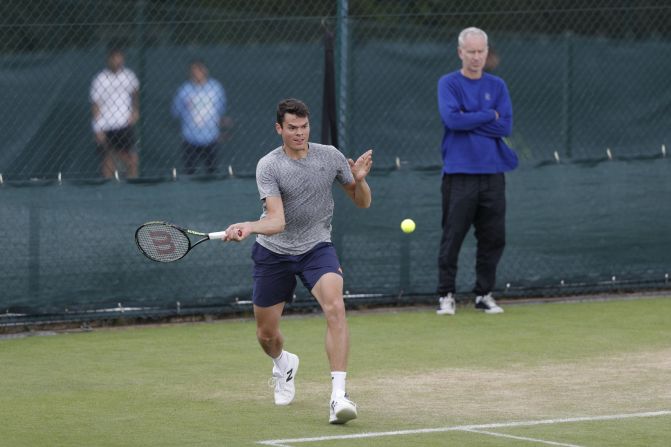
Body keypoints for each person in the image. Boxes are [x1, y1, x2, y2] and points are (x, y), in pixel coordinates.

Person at [222, 98, 372, 424]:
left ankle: (338, 396)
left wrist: (359, 180)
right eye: (292, 128)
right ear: (279, 128)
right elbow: (276, 221)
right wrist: (251, 227)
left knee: (335, 306)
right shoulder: (270, 166)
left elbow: (362, 203)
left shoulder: (330, 157)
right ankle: (283, 365)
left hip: (317, 247)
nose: (299, 133)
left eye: (304, 127)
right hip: (274, 252)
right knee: (266, 335)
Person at [435, 27, 518, 316]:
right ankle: (446, 295)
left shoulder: (498, 86)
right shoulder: (448, 83)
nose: (476, 57)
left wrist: (469, 118)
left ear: (486, 52)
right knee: (453, 236)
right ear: (460, 52)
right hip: (459, 174)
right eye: (470, 51)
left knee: (493, 237)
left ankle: (484, 294)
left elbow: (505, 126)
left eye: (481, 51)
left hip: (494, 173)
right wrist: (487, 115)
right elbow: (452, 120)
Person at [171, 60, 233, 175]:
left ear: (205, 70)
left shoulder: (216, 88)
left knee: (212, 172)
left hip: (211, 138)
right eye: (194, 70)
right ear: (190, 72)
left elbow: (220, 110)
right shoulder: (184, 90)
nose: (197, 73)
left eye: (199, 69)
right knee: (189, 172)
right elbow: (175, 111)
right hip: (190, 138)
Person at [90, 47, 140, 178]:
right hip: (106, 126)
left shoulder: (129, 76)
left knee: (132, 159)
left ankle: (133, 187)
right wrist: (97, 128)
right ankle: (108, 190)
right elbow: (95, 105)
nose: (118, 61)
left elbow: (135, 93)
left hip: (124, 125)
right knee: (108, 161)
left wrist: (135, 111)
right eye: (115, 58)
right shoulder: (100, 79)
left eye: (120, 58)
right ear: (109, 59)